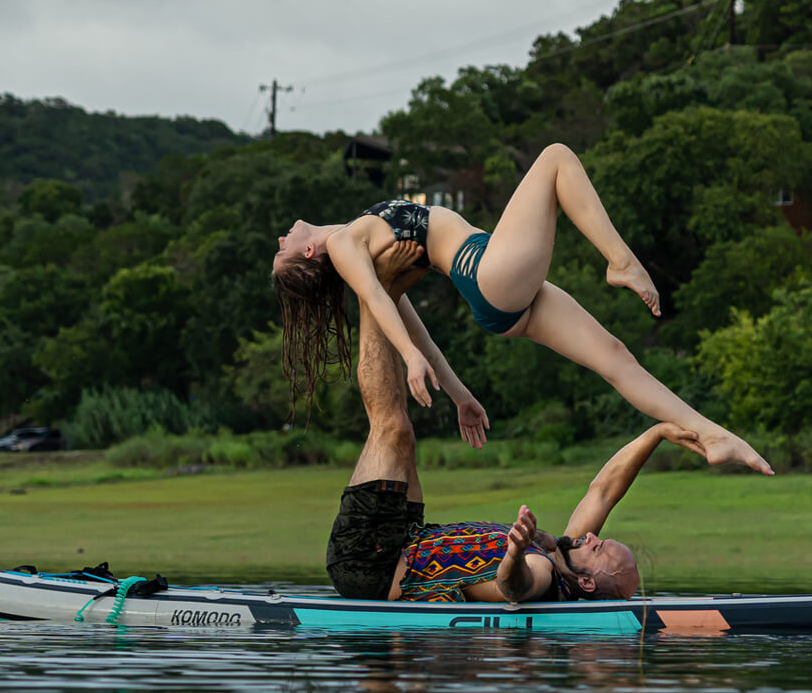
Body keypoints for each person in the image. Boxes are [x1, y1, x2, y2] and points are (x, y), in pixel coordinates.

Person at [274, 143, 771, 475]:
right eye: (283, 250)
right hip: (486, 270)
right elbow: (380, 302)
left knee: (617, 358)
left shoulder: (356, 240)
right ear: (310, 255)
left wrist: (460, 393)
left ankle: (715, 437)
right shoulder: (341, 245)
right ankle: (620, 262)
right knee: (556, 157)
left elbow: (403, 312)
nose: (282, 237)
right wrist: (408, 358)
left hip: (499, 297)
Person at [325, 241, 705, 603]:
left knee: (393, 430)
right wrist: (658, 432)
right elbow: (603, 492)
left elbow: (513, 587)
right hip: (405, 538)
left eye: (599, 547)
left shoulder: (543, 572)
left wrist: (516, 553)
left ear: (586, 581)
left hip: (372, 565)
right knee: (402, 432)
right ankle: (384, 291)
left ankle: (365, 282)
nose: (592, 537)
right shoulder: (559, 550)